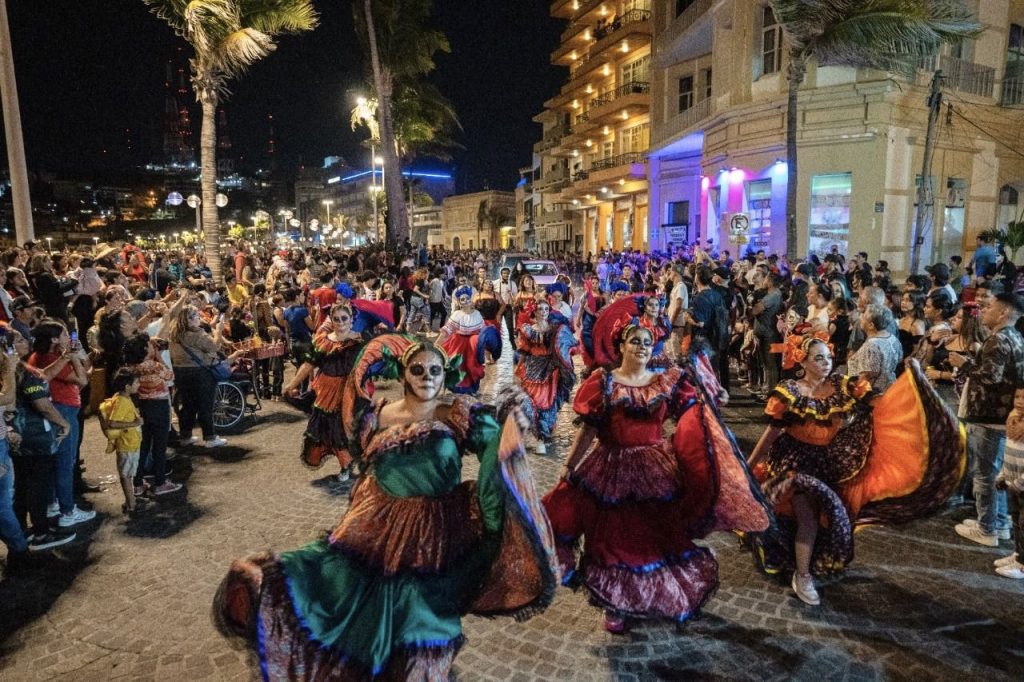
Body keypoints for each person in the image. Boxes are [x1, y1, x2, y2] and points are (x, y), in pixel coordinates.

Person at [215, 336, 557, 679]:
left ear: (446, 375)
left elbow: (495, 457)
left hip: (432, 542)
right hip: (372, 533)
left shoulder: (459, 415)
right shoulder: (375, 417)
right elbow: (369, 473)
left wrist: (510, 431)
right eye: (418, 369)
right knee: (349, 604)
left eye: (435, 370)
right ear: (403, 374)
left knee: (423, 626)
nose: (427, 377)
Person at [543, 324, 769, 633]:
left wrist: (711, 404)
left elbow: (692, 415)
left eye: (647, 342)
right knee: (612, 537)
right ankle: (616, 602)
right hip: (611, 467)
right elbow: (590, 429)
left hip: (654, 468)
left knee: (655, 535)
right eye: (634, 341)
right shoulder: (604, 382)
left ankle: (656, 594)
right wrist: (569, 465)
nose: (641, 347)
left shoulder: (666, 382)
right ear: (620, 346)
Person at [747, 335, 965, 605]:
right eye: (818, 357)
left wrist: (914, 385)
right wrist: (748, 465)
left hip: (829, 460)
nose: (826, 362)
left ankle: (803, 559)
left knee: (831, 516)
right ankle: (802, 575)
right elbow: (773, 432)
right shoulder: (788, 391)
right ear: (801, 361)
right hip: (793, 461)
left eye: (828, 356)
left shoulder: (843, 385)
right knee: (809, 517)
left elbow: (881, 403)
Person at [950, 292, 1024, 546]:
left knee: (984, 474)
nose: (985, 310)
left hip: (988, 415)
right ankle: (999, 522)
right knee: (995, 472)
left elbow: (990, 377)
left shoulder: (998, 339)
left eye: (990, 307)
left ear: (1004, 312)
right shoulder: (1015, 337)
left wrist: (964, 364)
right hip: (1000, 416)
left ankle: (987, 529)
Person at [10, 328, 75, 551]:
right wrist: (63, 423)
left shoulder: (14, 370)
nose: (25, 340)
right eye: (17, 339)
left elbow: (43, 375)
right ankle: (41, 533)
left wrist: (65, 357)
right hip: (35, 436)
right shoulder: (21, 372)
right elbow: (42, 404)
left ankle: (23, 530)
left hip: (17, 438)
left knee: (22, 486)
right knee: (37, 486)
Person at [285, 303, 363, 482]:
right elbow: (308, 365)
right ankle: (346, 464)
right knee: (327, 430)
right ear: (332, 321)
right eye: (336, 319)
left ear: (351, 320)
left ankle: (347, 464)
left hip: (349, 393)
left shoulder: (360, 342)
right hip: (326, 393)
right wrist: (292, 384)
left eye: (344, 318)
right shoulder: (323, 341)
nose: (341, 322)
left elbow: (369, 366)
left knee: (346, 429)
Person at [167, 299, 236, 449]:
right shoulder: (196, 334)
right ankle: (210, 437)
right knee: (205, 404)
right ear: (189, 319)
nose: (199, 318)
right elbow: (214, 346)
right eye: (197, 316)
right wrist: (218, 331)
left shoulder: (174, 334)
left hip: (180, 372)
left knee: (188, 404)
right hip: (199, 373)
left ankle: (186, 435)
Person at [515, 299, 577, 454]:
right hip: (531, 369)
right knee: (530, 401)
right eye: (540, 309)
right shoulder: (528, 330)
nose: (543, 312)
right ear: (535, 312)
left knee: (545, 402)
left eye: (546, 309)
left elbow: (566, 348)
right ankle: (533, 434)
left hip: (550, 369)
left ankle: (541, 438)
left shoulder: (555, 330)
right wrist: (518, 368)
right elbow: (525, 351)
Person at [122, 333, 180, 497]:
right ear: (144, 349)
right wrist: (159, 356)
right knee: (160, 446)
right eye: (149, 345)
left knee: (144, 445)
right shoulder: (154, 366)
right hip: (159, 406)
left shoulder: (132, 367)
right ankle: (160, 482)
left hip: (142, 407)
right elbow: (170, 376)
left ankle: (138, 483)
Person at [98, 369, 145, 515]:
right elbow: (112, 423)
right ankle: (131, 503)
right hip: (127, 444)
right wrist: (135, 423)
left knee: (127, 474)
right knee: (126, 475)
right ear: (127, 386)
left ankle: (131, 501)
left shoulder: (120, 397)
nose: (139, 384)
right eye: (136, 382)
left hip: (128, 443)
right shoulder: (123, 402)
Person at [437, 286, 498, 394]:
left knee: (472, 366)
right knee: (459, 365)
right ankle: (458, 389)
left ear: (471, 300)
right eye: (462, 299)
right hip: (458, 344)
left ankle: (471, 389)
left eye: (467, 298)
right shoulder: (457, 315)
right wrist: (436, 344)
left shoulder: (477, 314)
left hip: (473, 345)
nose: (466, 301)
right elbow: (447, 330)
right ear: (460, 303)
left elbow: (483, 332)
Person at [994, 386, 1024, 578]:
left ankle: (1022, 566)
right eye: (1017, 396)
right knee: (1017, 522)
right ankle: (1019, 554)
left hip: (1021, 484)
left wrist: (1020, 483)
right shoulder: (1013, 419)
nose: (1020, 401)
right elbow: (1009, 452)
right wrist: (1002, 475)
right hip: (1013, 483)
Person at [848, 304, 902, 392]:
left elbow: (867, 376)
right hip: (890, 388)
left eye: (864, 316)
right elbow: (899, 359)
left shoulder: (871, 346)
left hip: (874, 393)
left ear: (871, 325)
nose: (860, 317)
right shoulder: (893, 338)